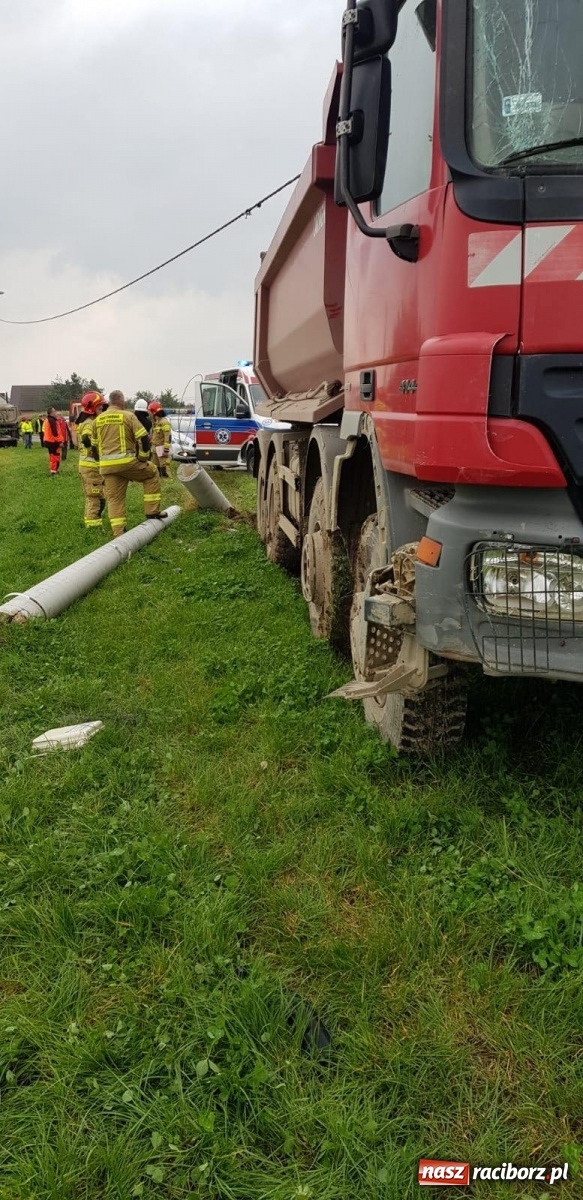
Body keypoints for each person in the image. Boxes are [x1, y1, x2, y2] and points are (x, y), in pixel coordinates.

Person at [93, 389, 164, 538]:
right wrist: (144, 459)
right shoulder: (128, 416)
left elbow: (93, 446)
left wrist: (100, 462)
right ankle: (152, 511)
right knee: (152, 473)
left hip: (106, 467)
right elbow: (144, 439)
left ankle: (119, 533)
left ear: (109, 403)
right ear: (122, 402)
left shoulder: (97, 420)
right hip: (128, 463)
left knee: (114, 499)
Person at [76, 391, 106, 529]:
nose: (102, 411)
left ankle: (92, 522)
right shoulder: (89, 423)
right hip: (91, 467)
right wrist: (95, 450)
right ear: (92, 409)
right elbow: (86, 439)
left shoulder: (88, 422)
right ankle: (93, 527)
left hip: (89, 466)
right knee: (95, 498)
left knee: (97, 496)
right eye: (100, 408)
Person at [148, 400, 172, 478]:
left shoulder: (164, 422)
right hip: (155, 448)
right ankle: (159, 482)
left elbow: (167, 437)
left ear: (154, 412)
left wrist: (166, 450)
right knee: (155, 468)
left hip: (161, 448)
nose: (150, 414)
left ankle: (169, 484)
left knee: (164, 468)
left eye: (150, 412)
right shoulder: (156, 422)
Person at [42, 408, 64, 474]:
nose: (56, 413)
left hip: (48, 441)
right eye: (55, 411)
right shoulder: (52, 420)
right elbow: (55, 433)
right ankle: (54, 471)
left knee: (52, 456)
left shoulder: (47, 420)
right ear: (52, 412)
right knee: (55, 456)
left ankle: (53, 470)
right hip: (53, 442)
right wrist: (60, 442)